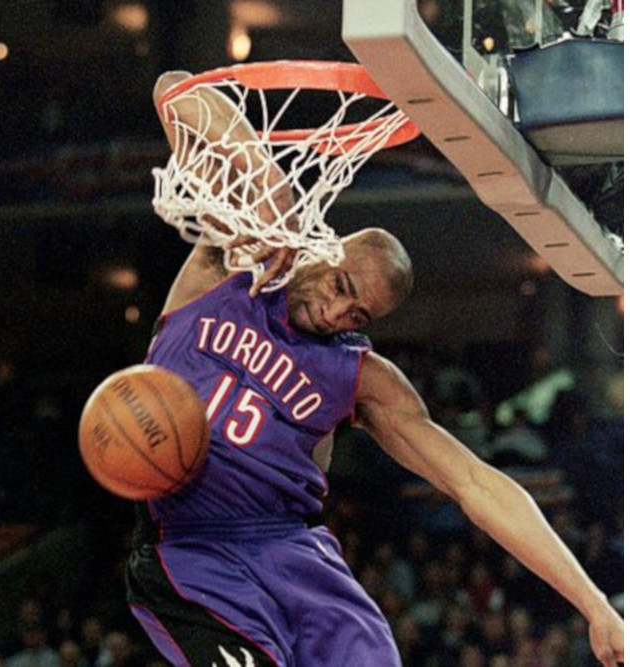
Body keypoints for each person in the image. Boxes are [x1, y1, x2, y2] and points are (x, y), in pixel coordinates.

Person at [124, 70, 624, 667]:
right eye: (339, 285)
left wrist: (595, 605)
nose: (334, 310)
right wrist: (267, 188)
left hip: (291, 551)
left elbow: (476, 485)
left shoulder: (361, 376)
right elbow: (174, 89)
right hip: (192, 551)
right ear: (324, 248)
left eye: (356, 311)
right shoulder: (231, 264)